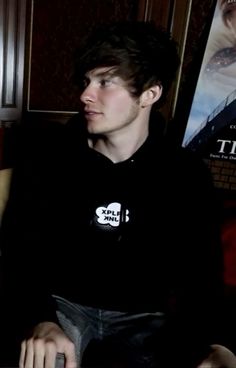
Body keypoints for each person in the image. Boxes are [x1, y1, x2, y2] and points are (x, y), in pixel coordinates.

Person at [1, 20, 236, 368]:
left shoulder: (184, 174)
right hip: (63, 305)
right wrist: (41, 320)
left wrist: (220, 345)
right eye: (86, 81)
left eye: (105, 82)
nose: (85, 94)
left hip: (145, 316)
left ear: (149, 94)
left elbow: (203, 275)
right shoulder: (47, 159)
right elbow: (19, 254)